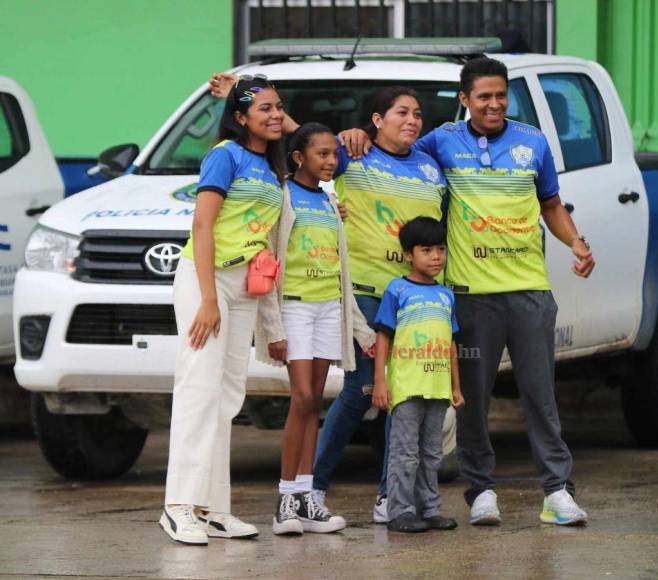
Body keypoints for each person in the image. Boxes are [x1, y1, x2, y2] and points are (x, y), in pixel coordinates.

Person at [340, 57, 596, 526]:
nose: (494, 104)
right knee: (473, 398)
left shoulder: (533, 142)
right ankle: (481, 491)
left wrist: (576, 241)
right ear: (465, 101)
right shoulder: (440, 142)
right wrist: (351, 134)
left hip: (529, 291)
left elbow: (552, 205)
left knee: (540, 395)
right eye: (484, 97)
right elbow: (391, 143)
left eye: (501, 95)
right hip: (470, 296)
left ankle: (557, 491)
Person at [209, 76, 446, 522]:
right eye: (401, 112)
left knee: (348, 397)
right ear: (376, 121)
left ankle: (340, 497)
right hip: (328, 299)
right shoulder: (325, 171)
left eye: (417, 114)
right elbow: (305, 145)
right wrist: (241, 94)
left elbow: (345, 268)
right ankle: (300, 492)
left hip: (374, 303)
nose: (412, 120)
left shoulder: (416, 170)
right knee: (328, 395)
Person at [161, 75, 287, 545]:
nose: (275, 116)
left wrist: (251, 91)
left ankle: (212, 508)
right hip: (206, 280)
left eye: (278, 107)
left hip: (246, 288)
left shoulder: (271, 164)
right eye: (263, 110)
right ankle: (178, 505)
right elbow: (202, 224)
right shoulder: (225, 155)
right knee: (198, 388)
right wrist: (209, 299)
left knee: (228, 396)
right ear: (239, 118)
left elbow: (295, 132)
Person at [253, 123, 375, 535]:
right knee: (301, 398)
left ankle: (307, 499)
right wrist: (272, 326)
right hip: (294, 309)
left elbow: (341, 272)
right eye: (321, 154)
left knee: (315, 402)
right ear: (298, 157)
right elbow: (267, 259)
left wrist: (360, 330)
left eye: (333, 154)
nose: (330, 162)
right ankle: (285, 499)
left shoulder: (329, 200)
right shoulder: (281, 196)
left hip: (329, 309)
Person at [372, 217, 464, 533]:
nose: (436, 256)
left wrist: (456, 386)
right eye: (426, 250)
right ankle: (400, 511)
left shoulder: (446, 295)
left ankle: (430, 510)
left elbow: (451, 343)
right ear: (409, 255)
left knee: (432, 454)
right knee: (405, 453)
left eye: (440, 249)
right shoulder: (397, 290)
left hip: (438, 389)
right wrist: (381, 382)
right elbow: (383, 337)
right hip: (407, 387)